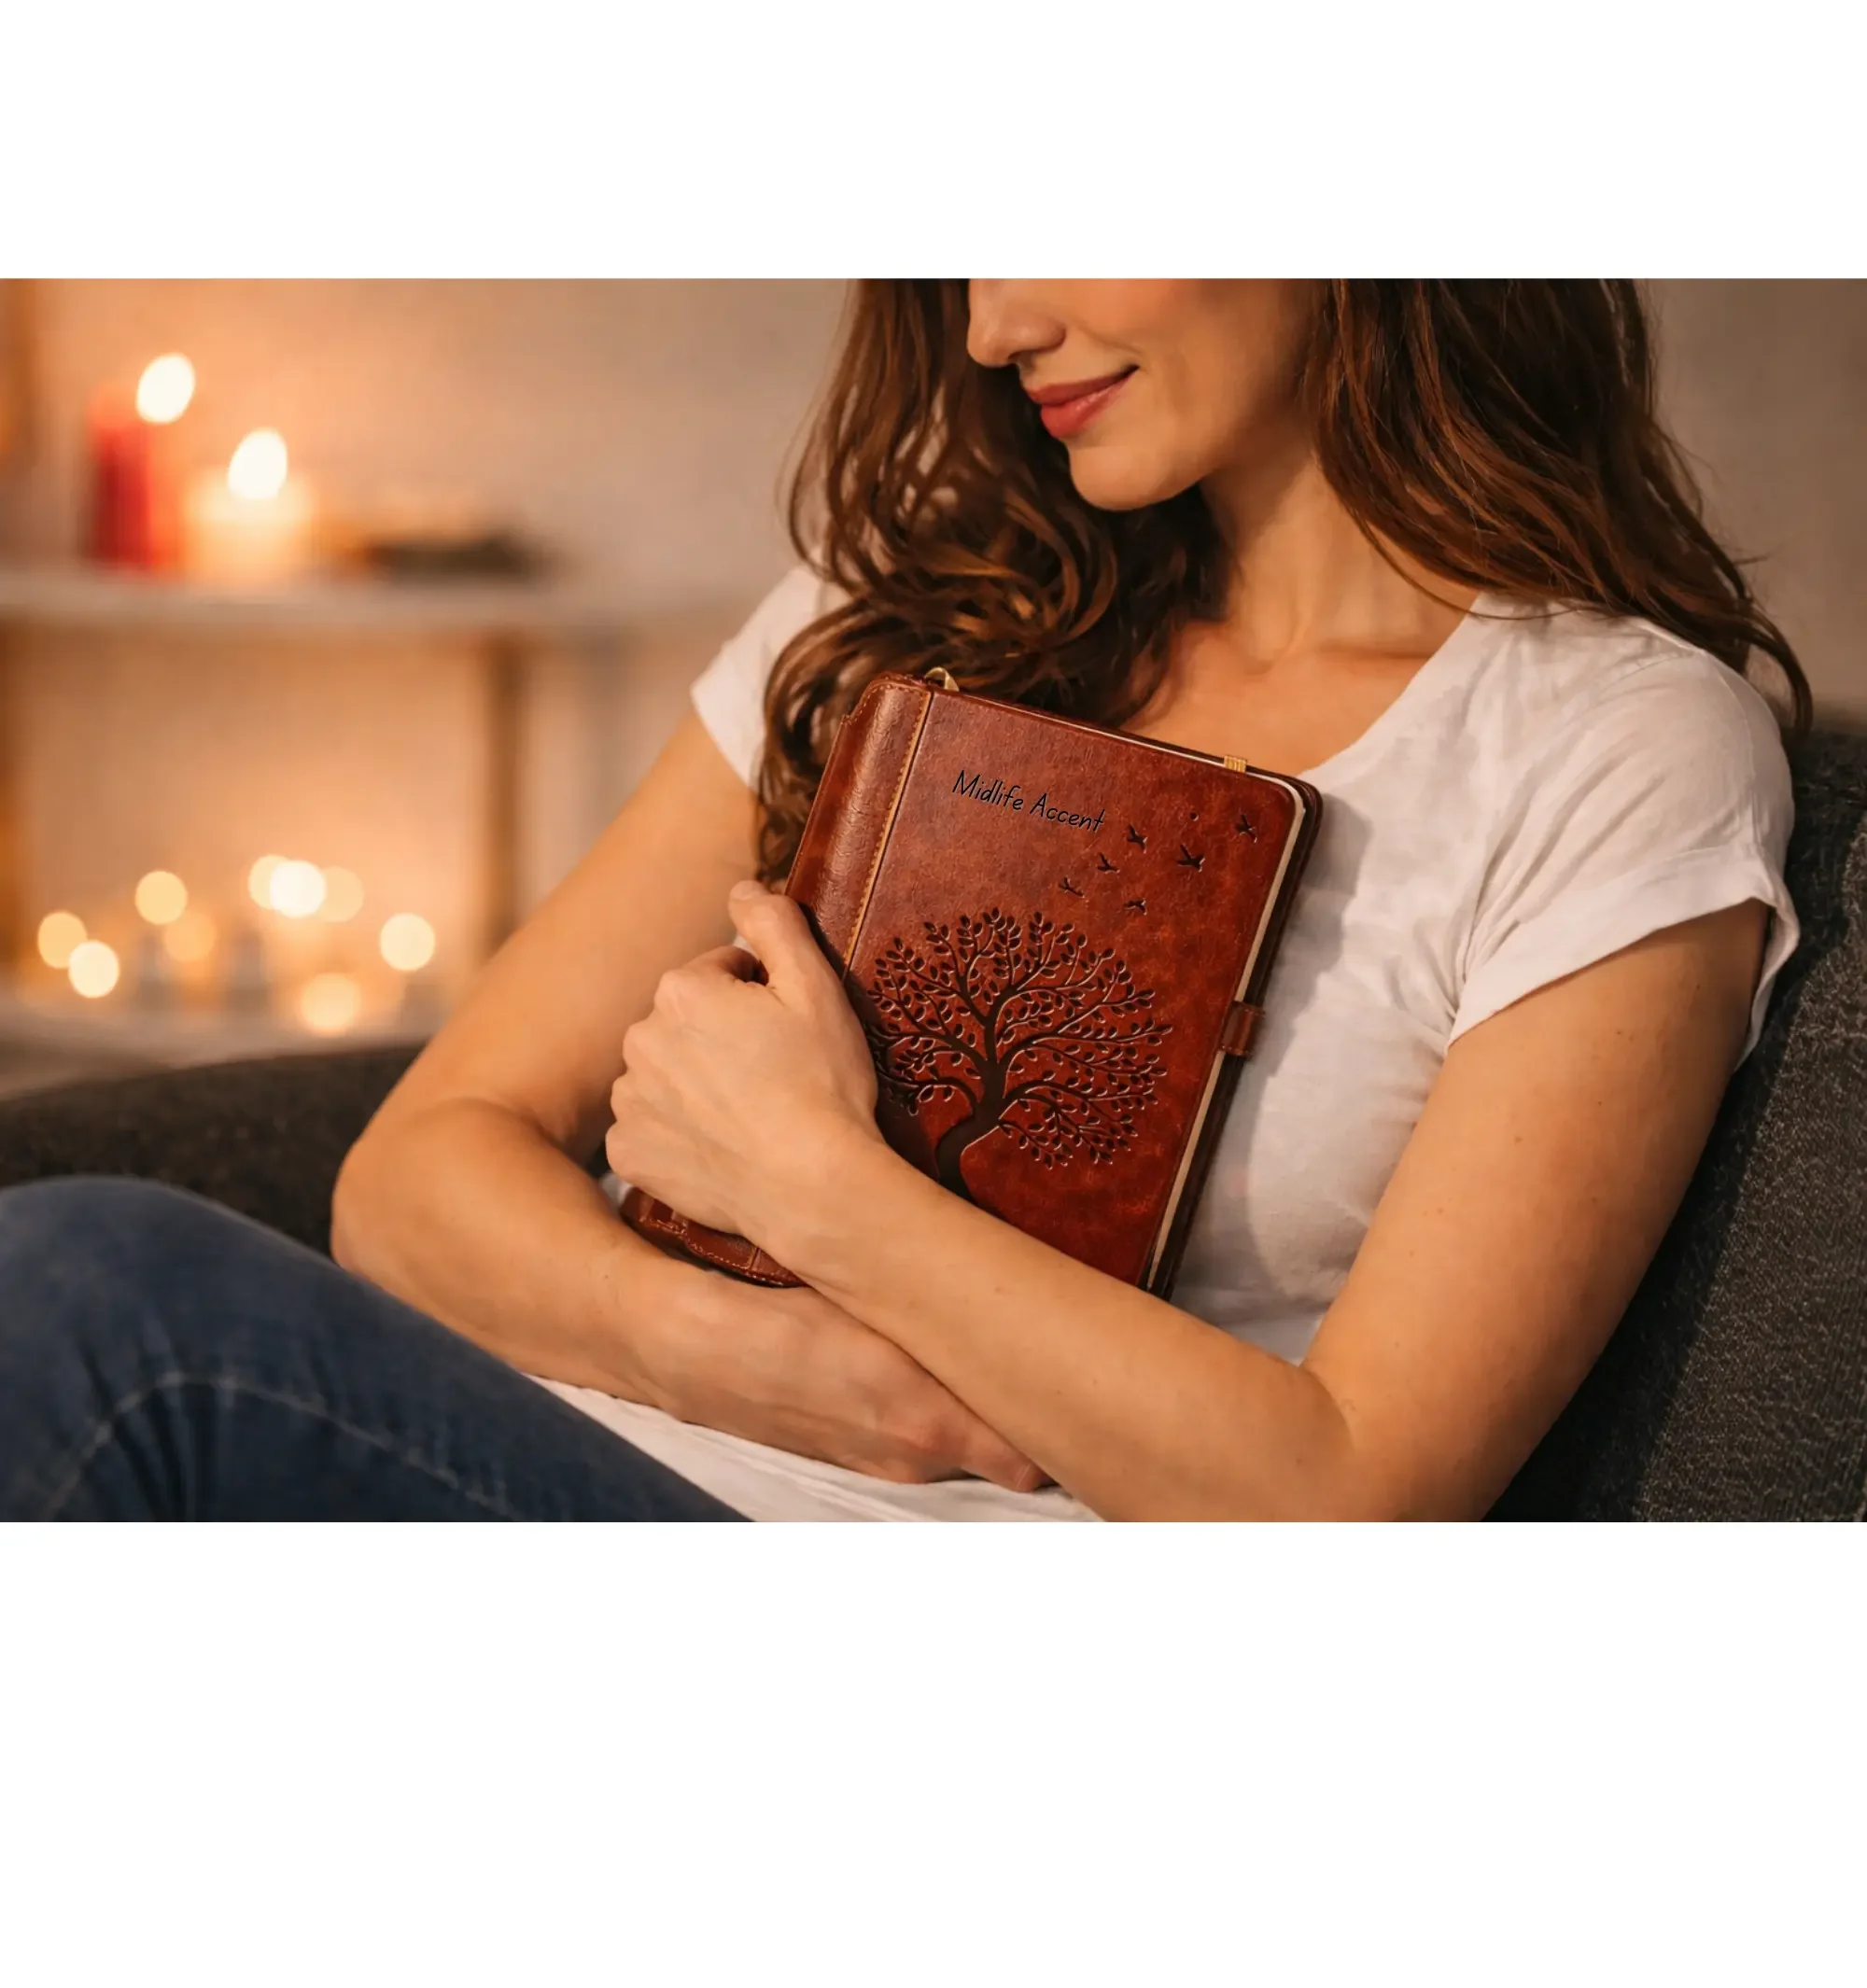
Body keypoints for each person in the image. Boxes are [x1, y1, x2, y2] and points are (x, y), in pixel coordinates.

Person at [0, 281, 1807, 1520]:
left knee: (100, 1291)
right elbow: (413, 1184)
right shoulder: (903, 611)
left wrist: (811, 1186)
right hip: (542, 1462)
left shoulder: (1615, 746)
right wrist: (776, 1360)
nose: (991, 327)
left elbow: (1340, 1493)